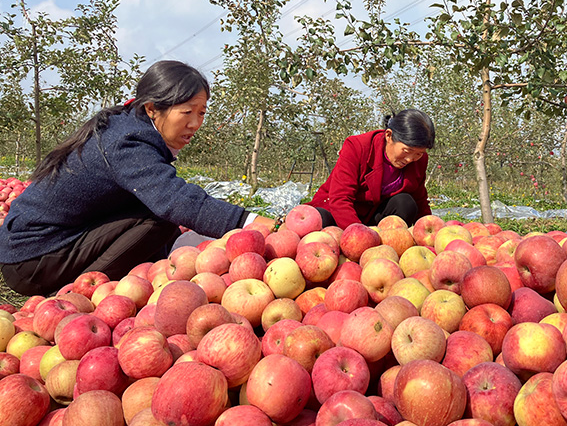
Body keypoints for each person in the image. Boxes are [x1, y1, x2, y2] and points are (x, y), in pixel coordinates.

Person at [0, 61, 273, 296]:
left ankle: (142, 278)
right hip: (31, 260)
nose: (195, 123)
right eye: (187, 112)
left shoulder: (128, 125)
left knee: (153, 211)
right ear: (153, 108)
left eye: (201, 112)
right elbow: (176, 199)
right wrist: (252, 224)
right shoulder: (128, 141)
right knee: (161, 218)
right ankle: (79, 292)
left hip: (33, 248)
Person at [311, 109, 435, 229]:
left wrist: (430, 230)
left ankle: (386, 242)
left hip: (372, 217)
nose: (410, 159)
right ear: (389, 136)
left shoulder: (419, 161)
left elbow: (420, 200)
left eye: (419, 154)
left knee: (405, 203)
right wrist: (360, 236)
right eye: (407, 151)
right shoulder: (357, 147)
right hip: (338, 214)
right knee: (318, 220)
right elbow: (340, 198)